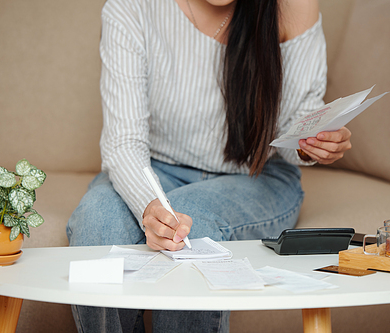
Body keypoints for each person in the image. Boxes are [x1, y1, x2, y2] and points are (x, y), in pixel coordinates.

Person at [66, 0, 352, 332]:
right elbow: (123, 141)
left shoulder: (292, 5)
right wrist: (150, 204)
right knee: (97, 216)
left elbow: (291, 129)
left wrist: (313, 143)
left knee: (192, 222)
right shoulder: (132, 7)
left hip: (256, 175)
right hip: (157, 168)